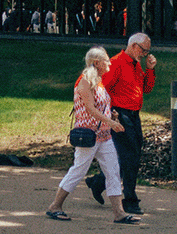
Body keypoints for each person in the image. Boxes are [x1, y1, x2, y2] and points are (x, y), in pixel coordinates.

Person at [47, 47, 138, 223]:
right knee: (79, 170)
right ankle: (54, 206)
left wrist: (111, 116)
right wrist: (111, 122)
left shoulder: (99, 81)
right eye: (106, 60)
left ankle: (119, 213)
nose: (109, 63)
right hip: (89, 135)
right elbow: (90, 109)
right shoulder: (85, 82)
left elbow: (100, 107)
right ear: (97, 62)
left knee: (113, 171)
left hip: (104, 135)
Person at [91, 31, 157, 215]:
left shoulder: (135, 65)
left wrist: (150, 69)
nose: (145, 54)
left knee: (129, 155)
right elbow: (102, 89)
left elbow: (146, 88)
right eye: (144, 50)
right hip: (120, 114)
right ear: (134, 46)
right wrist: (109, 114)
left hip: (133, 114)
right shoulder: (117, 63)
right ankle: (130, 198)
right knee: (130, 156)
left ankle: (97, 182)